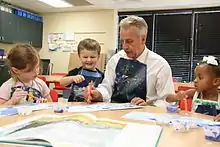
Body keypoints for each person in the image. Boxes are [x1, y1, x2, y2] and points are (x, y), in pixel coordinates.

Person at [84, 15, 175, 107]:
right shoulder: (115, 60)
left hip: (146, 117)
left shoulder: (160, 65)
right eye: (122, 41)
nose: (124, 46)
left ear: (143, 39)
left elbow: (168, 101)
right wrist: (97, 94)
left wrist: (148, 106)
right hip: (115, 114)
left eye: (129, 41)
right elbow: (107, 88)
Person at [166, 56, 220, 121]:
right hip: (195, 128)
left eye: (200, 77)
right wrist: (177, 97)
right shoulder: (194, 93)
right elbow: (167, 98)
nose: (195, 80)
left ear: (215, 81)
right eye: (195, 77)